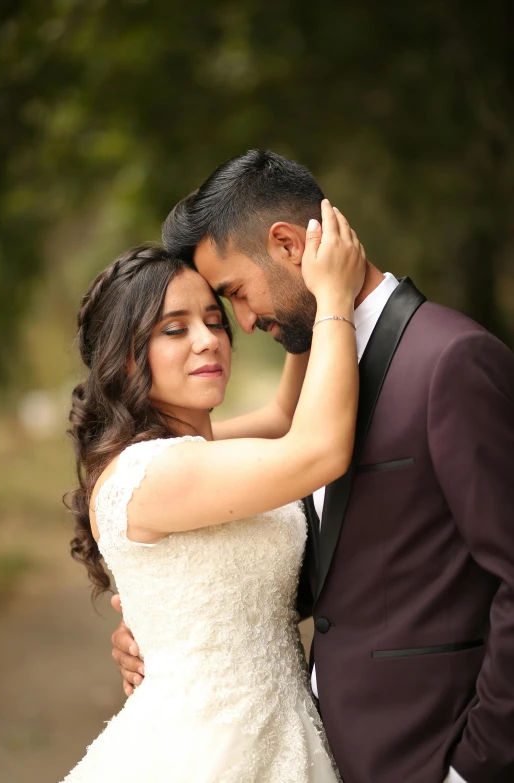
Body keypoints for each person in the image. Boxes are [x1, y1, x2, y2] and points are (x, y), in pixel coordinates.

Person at [112, 150, 514, 783]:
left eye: (234, 297)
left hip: (434, 755)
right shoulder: (321, 385)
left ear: (288, 245)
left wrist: (479, 765)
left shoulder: (449, 361)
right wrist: (165, 631)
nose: (240, 324)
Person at [62, 201, 365, 782]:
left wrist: (299, 292)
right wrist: (334, 299)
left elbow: (284, 416)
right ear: (125, 357)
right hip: (204, 751)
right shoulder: (150, 475)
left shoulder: (194, 452)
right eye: (175, 329)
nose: (208, 340)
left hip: (280, 731)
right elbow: (318, 449)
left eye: (215, 319)